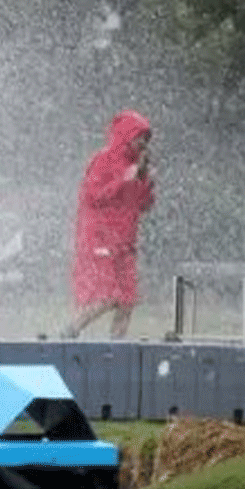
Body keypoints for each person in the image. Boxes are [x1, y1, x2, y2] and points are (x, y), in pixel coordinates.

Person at [60, 109, 156, 339]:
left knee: (127, 301)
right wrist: (124, 178)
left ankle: (116, 350)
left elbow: (143, 205)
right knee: (108, 297)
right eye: (139, 137)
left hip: (125, 242)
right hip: (101, 238)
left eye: (145, 138)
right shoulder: (103, 160)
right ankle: (69, 331)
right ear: (126, 135)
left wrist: (146, 183)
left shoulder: (135, 168)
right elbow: (91, 196)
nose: (142, 143)